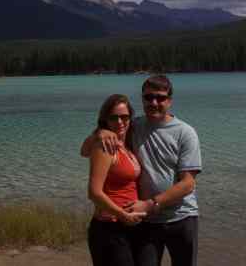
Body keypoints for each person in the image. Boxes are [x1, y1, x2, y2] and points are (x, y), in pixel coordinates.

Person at [81, 74, 202, 266]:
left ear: (169, 101)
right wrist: (100, 131)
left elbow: (187, 184)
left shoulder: (185, 132)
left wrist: (149, 204)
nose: (154, 102)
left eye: (160, 97)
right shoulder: (133, 126)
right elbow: (85, 150)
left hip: (181, 217)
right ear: (143, 99)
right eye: (148, 97)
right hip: (147, 223)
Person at [86, 94, 146, 266]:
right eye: (114, 117)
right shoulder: (104, 146)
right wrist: (123, 215)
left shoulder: (124, 145)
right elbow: (93, 192)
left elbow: (83, 150)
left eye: (124, 117)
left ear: (130, 118)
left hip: (127, 226)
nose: (120, 122)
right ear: (105, 119)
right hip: (109, 228)